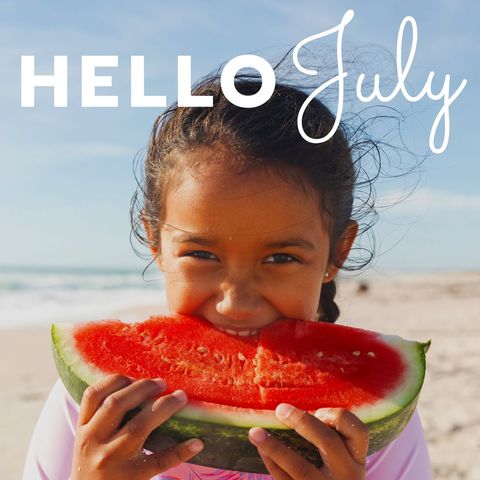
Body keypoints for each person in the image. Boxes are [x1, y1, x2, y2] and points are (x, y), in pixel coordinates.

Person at [23, 73, 433, 479]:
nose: (235, 303)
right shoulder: (96, 409)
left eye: (281, 259)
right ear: (155, 241)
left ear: (337, 252)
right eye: (201, 253)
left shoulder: (368, 428)